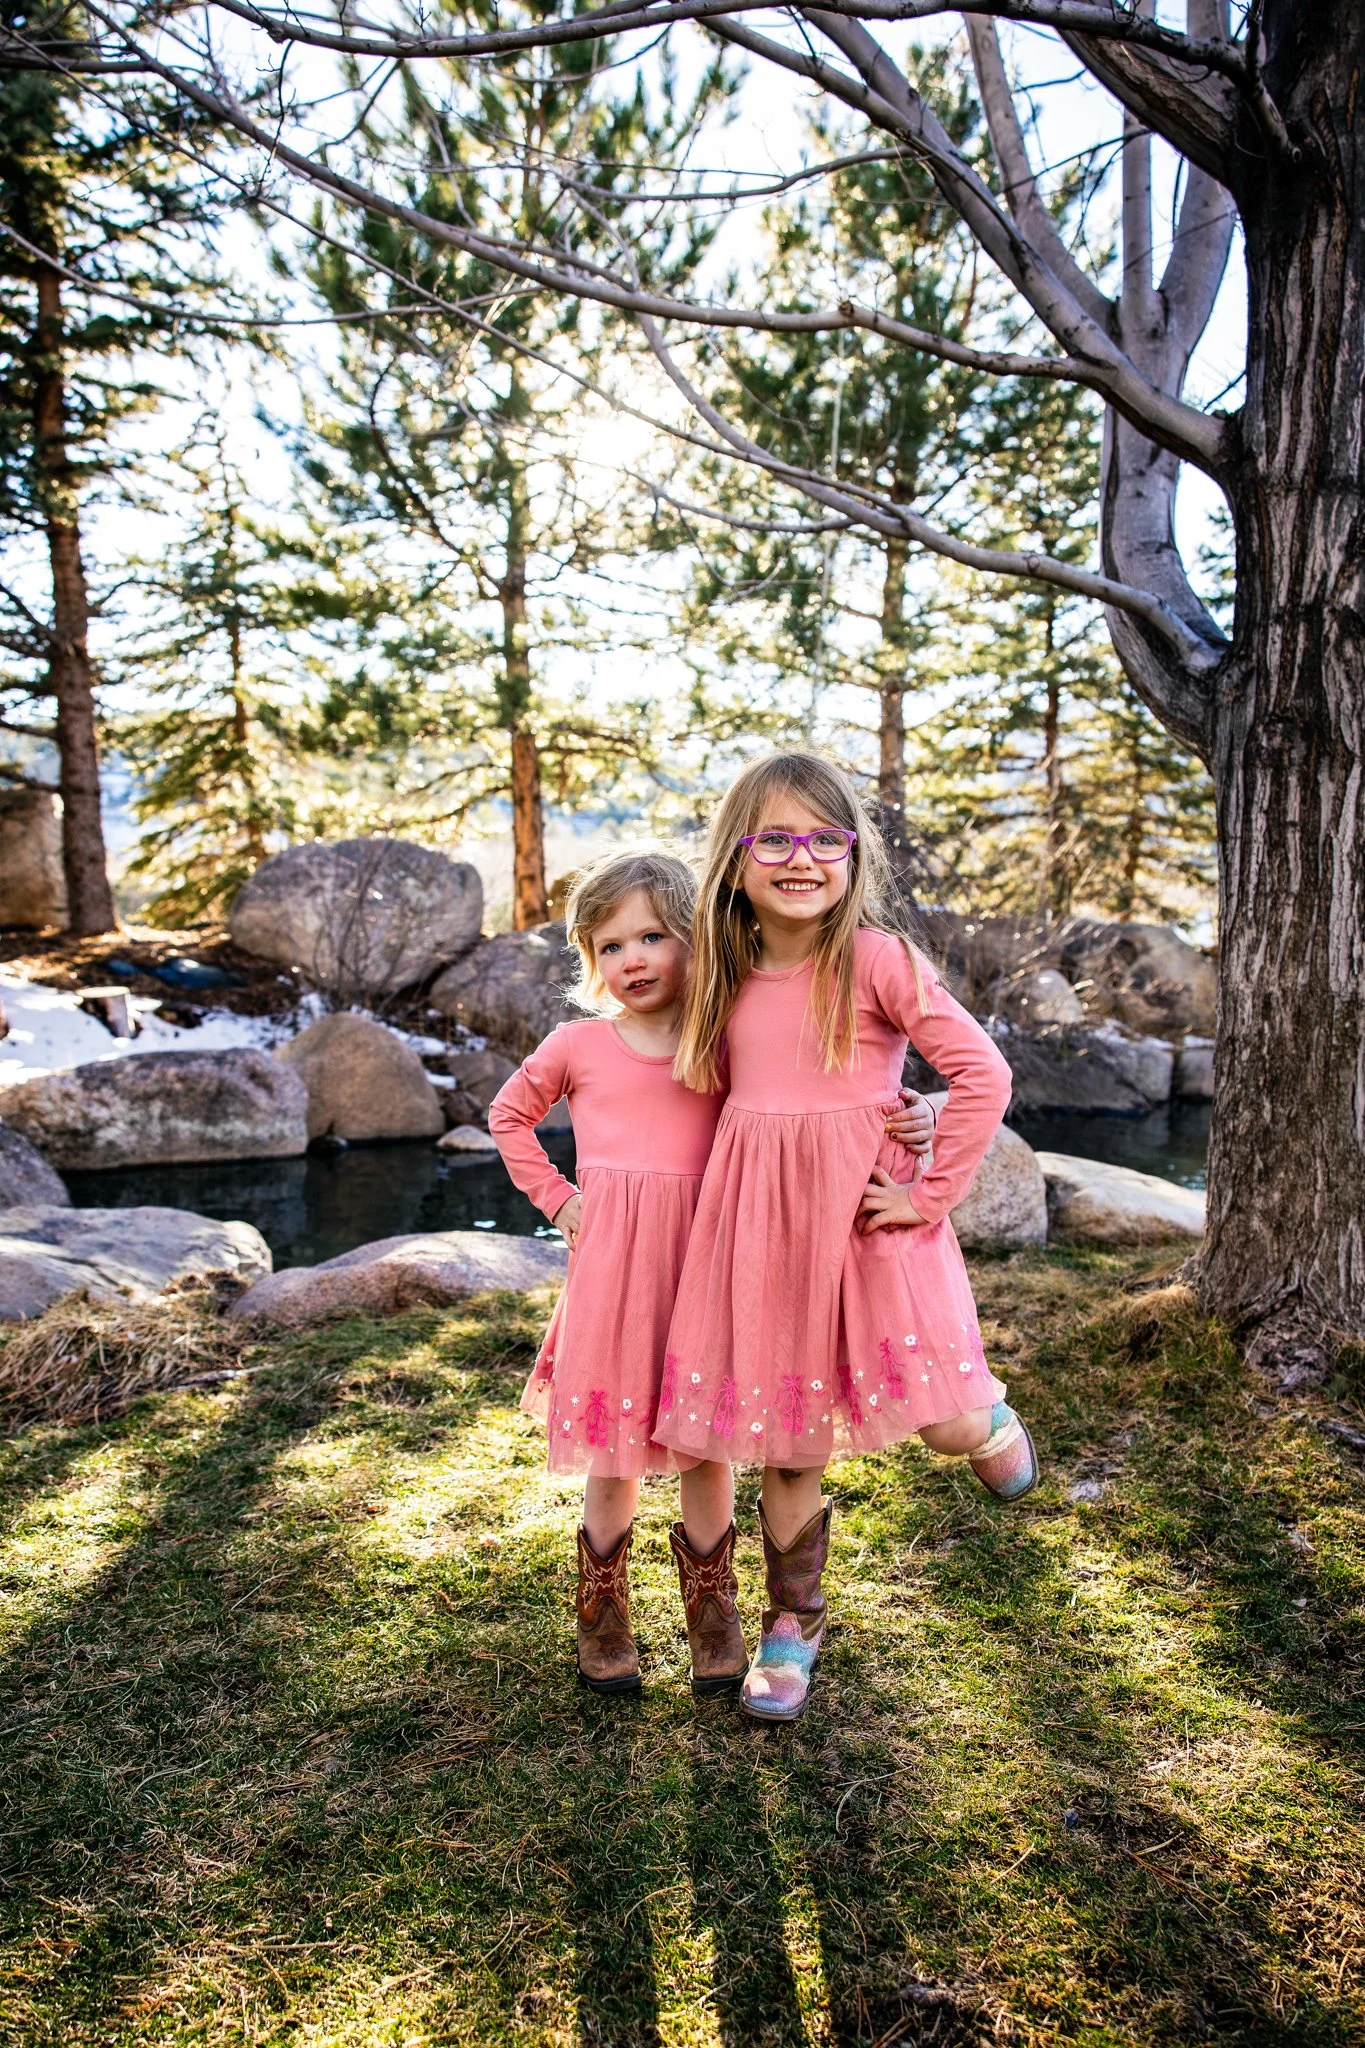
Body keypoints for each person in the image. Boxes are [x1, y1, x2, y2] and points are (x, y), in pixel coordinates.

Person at [488, 845, 935, 1699]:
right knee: (615, 1452)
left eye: (653, 937)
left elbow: (819, 1087)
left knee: (706, 1440)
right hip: (619, 1273)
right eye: (609, 946)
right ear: (590, 961)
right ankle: (603, 1611)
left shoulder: (723, 1035)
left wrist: (905, 1107)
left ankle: (712, 1609)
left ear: (698, 939)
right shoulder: (578, 1043)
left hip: (715, 1258)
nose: (632, 960)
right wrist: (558, 1199)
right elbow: (509, 1115)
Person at [656, 754, 1037, 1724]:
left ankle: (987, 1415)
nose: (803, 856)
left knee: (941, 1419)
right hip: (764, 1233)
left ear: (853, 855)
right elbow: (692, 1092)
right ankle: (797, 1621)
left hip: (870, 1224)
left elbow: (982, 1073)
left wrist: (933, 1189)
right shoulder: (721, 971)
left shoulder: (876, 960)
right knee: (789, 1441)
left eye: (827, 837)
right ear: (736, 859)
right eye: (777, 837)